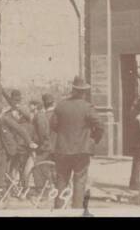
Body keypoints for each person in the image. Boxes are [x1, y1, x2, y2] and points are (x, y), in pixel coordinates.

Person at [50, 76, 104, 209]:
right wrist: (93, 139)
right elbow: (100, 126)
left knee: (61, 180)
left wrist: (64, 134)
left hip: (62, 150)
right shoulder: (87, 107)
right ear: (84, 92)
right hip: (81, 150)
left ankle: (58, 210)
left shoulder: (61, 105)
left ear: (73, 90)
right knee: (79, 181)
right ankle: (77, 210)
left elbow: (53, 125)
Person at [0, 92, 35, 196]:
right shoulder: (7, 113)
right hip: (12, 144)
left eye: (18, 100)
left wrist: (19, 109)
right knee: (11, 168)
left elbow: (27, 123)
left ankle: (24, 189)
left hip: (22, 145)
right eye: (14, 100)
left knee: (22, 169)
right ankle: (11, 188)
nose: (16, 102)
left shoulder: (23, 111)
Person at [31, 93, 57, 189]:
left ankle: (40, 190)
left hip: (44, 146)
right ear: (53, 103)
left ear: (44, 103)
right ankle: (57, 189)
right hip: (56, 146)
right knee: (55, 168)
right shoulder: (58, 115)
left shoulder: (42, 116)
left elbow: (40, 133)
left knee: (38, 167)